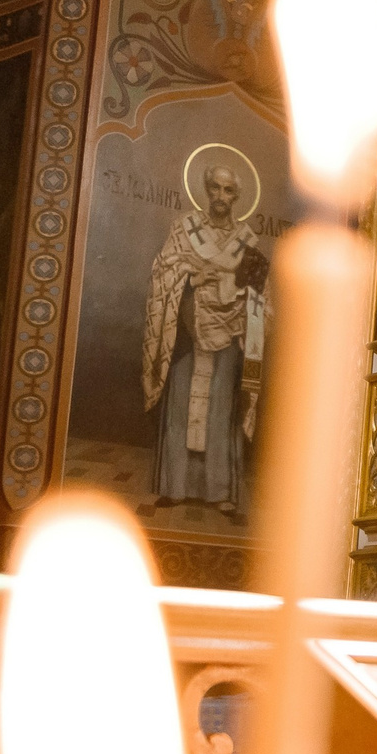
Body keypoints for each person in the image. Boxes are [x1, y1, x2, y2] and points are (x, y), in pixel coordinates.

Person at [142, 158, 269, 519]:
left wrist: (239, 293)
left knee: (220, 412)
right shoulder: (184, 228)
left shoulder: (247, 241)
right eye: (215, 187)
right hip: (187, 332)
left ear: (238, 197)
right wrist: (194, 278)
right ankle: (173, 487)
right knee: (182, 406)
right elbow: (163, 272)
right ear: (205, 188)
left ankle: (220, 493)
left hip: (229, 336)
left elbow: (260, 295)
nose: (220, 196)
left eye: (229, 191)